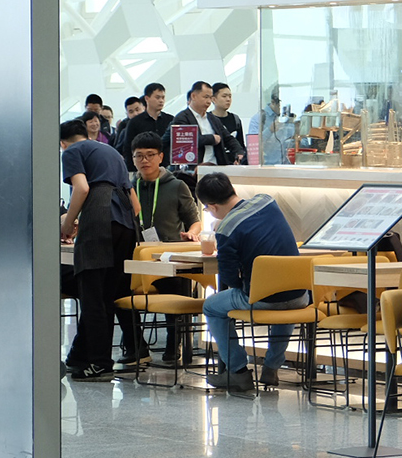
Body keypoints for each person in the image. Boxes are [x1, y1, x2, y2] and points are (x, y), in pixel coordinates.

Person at [197, 172, 307, 392]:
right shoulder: (267, 202)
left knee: (211, 307)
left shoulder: (226, 229)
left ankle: (237, 371)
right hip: (300, 295)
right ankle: (271, 368)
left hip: (262, 298)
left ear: (212, 207)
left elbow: (229, 279)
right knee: (284, 298)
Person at [60, 119, 140, 381]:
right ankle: (80, 356)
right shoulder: (112, 153)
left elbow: (82, 188)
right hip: (126, 223)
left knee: (92, 295)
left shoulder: (72, 151)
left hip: (99, 219)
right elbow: (136, 206)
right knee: (106, 295)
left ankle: (100, 363)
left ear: (62, 143)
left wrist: (69, 222)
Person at [127, 131, 203, 366]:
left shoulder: (177, 185)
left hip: (168, 259)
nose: (145, 161)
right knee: (118, 290)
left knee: (176, 288)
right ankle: (136, 346)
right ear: (132, 159)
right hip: (137, 259)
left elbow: (195, 220)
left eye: (150, 155)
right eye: (139, 156)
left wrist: (193, 233)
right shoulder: (129, 187)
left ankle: (174, 343)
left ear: (161, 157)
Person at [164, 81, 243, 166]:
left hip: (216, 166)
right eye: (206, 97)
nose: (209, 101)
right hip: (193, 168)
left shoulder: (213, 119)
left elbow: (228, 138)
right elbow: (186, 141)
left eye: (210, 98)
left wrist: (239, 152)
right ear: (193, 96)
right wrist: (211, 139)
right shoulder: (182, 118)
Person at [120, 83, 173, 171]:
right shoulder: (135, 122)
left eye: (163, 97)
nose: (161, 101)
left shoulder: (170, 120)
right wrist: (132, 170)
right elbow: (128, 148)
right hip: (143, 169)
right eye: (157, 97)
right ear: (147, 98)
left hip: (167, 168)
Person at [210, 83, 246, 163]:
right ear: (214, 99)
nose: (228, 99)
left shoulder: (235, 119)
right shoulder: (208, 119)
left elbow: (240, 144)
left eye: (230, 96)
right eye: (224, 96)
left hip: (234, 164)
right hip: (215, 163)